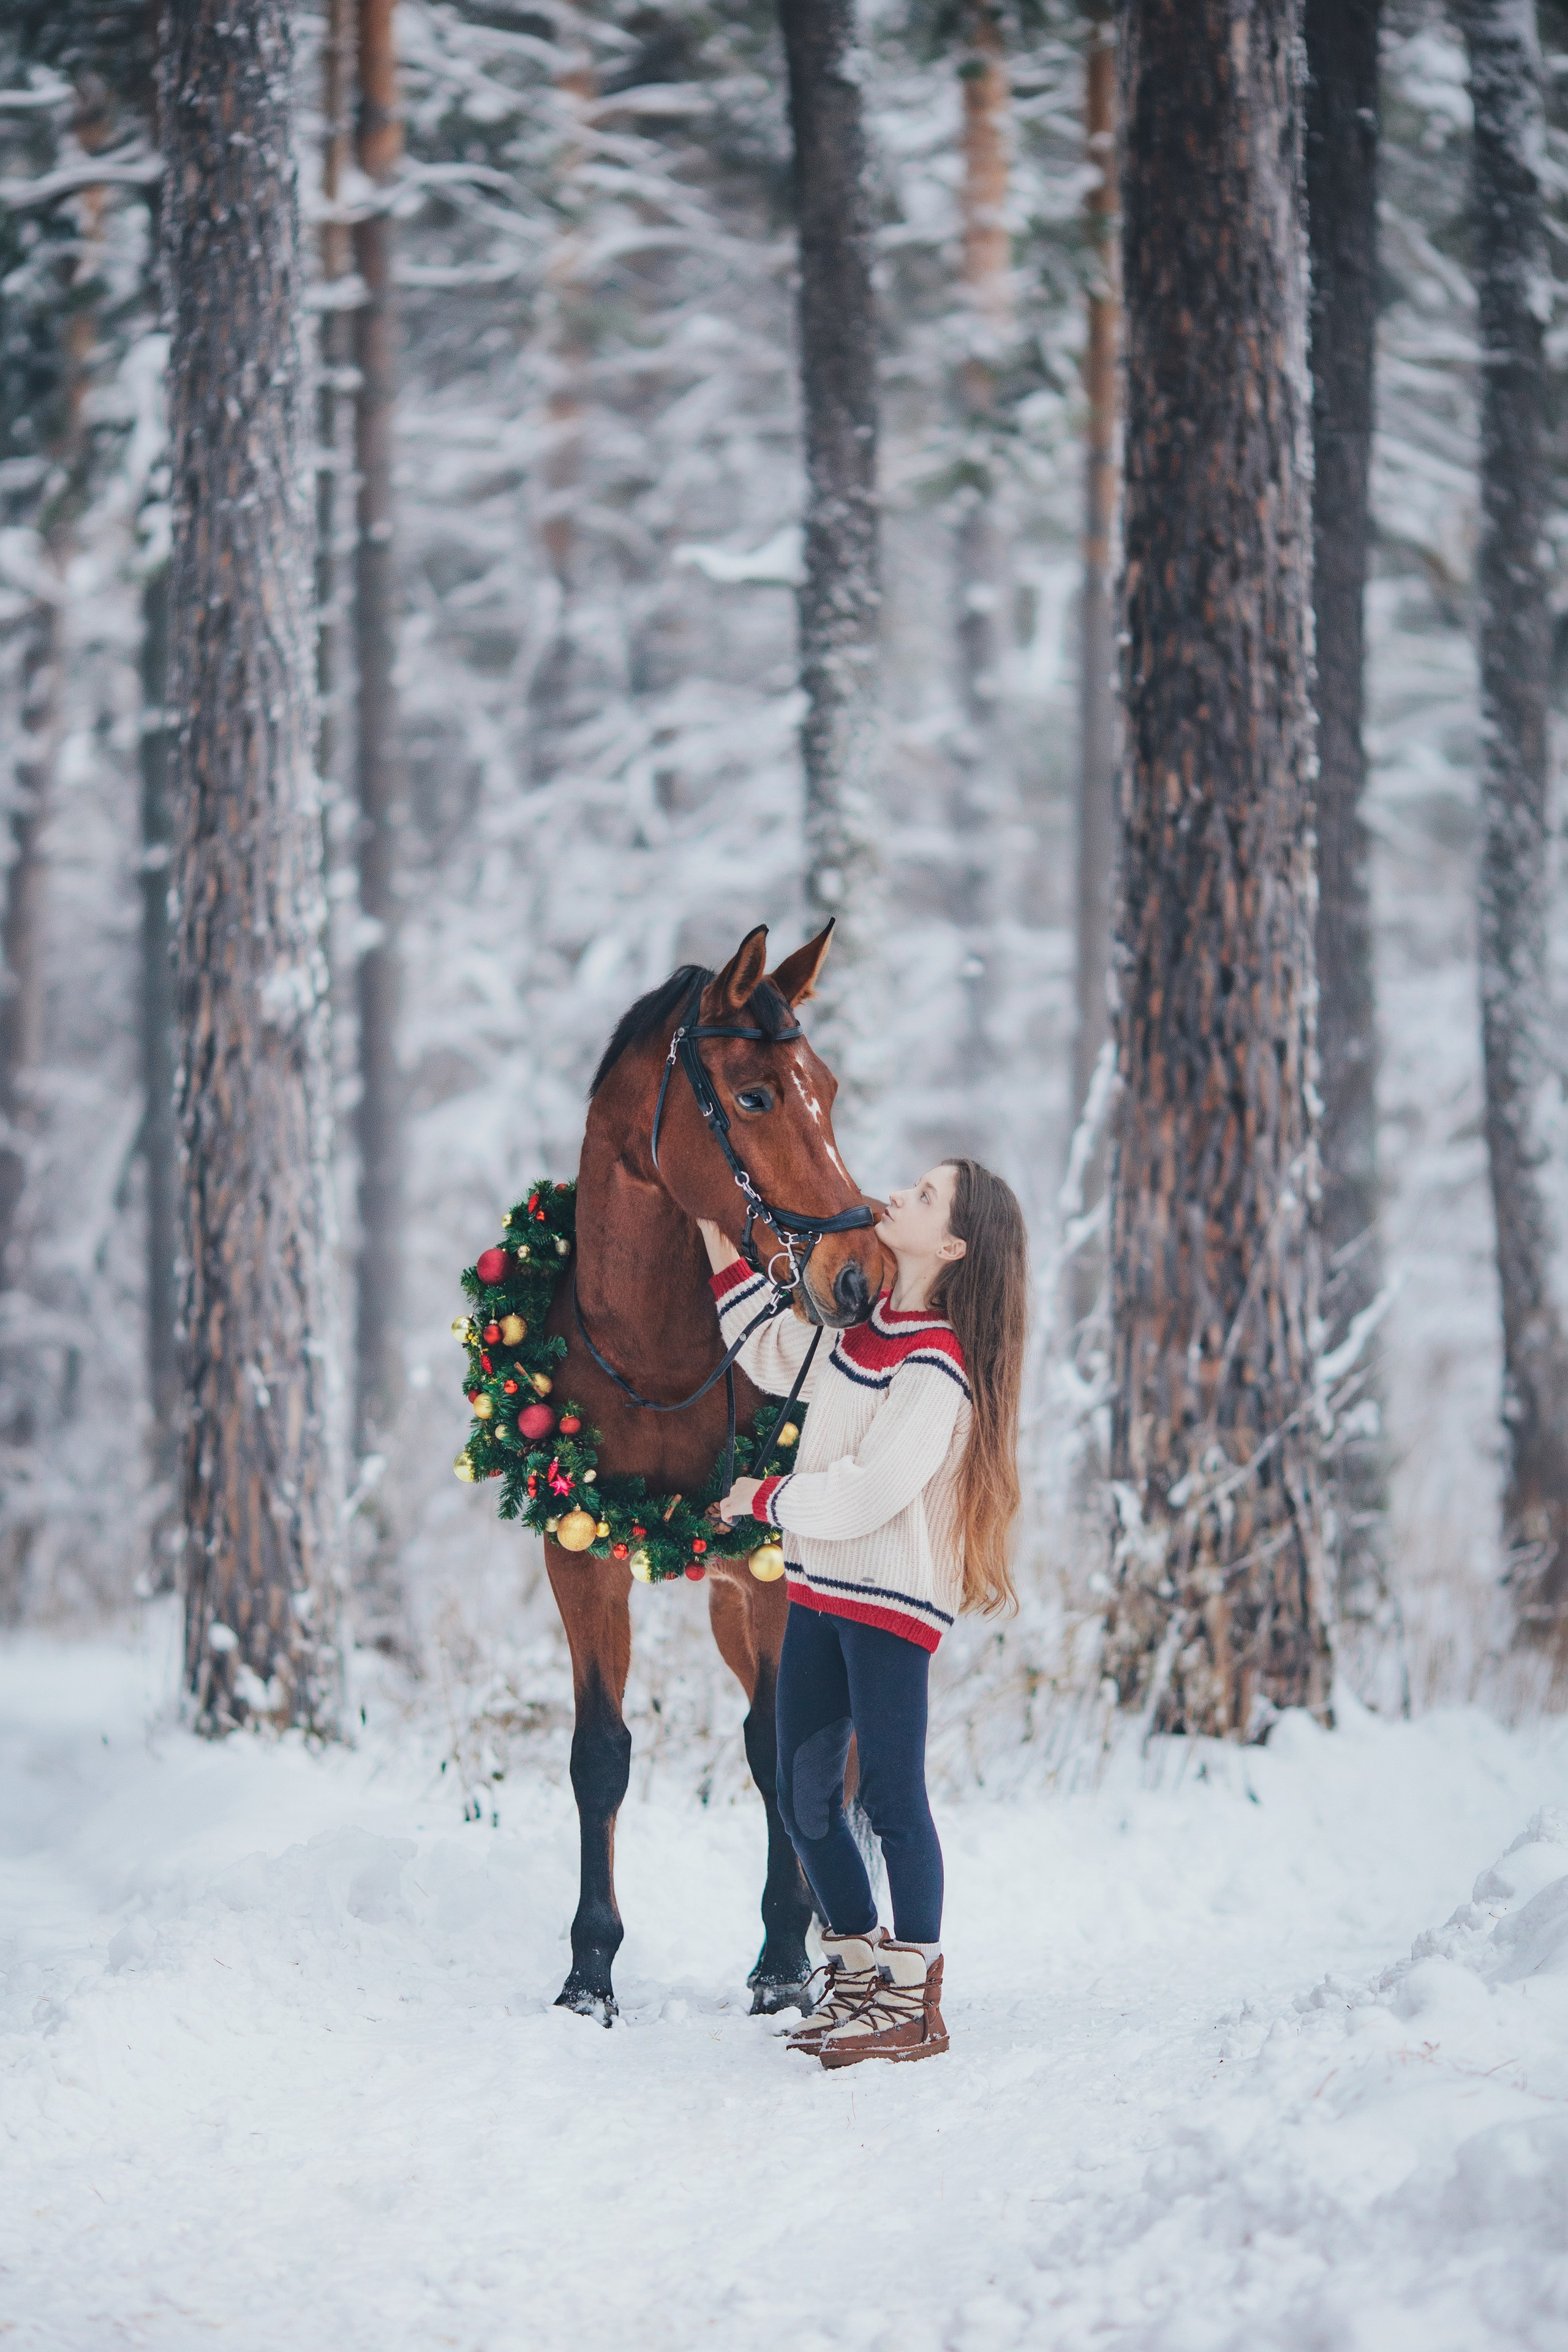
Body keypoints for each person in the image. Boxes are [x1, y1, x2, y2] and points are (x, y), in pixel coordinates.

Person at [698, 1158, 1028, 2069]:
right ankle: (855, 1977)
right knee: (805, 1799)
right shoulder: (861, 1329)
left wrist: (764, 1501)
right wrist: (717, 1239)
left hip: (889, 1607)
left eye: (924, 1198)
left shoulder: (938, 1367)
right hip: (819, 1596)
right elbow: (773, 1354)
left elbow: (866, 1497)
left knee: (888, 1799)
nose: (898, 1196)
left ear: (953, 1247)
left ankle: (914, 2004)